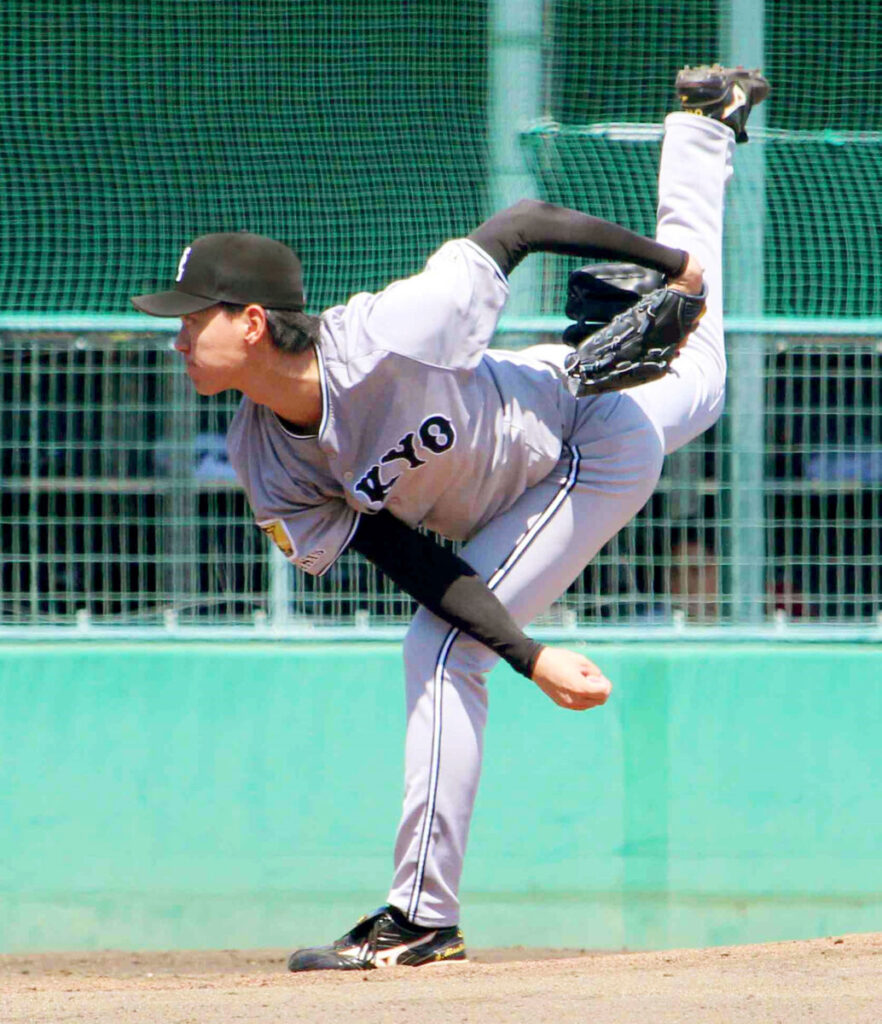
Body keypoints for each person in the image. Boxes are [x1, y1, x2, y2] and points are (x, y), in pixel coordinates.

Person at [131, 63, 769, 970]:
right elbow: (403, 557)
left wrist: (673, 271)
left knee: (437, 647)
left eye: (198, 317)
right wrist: (531, 650)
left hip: (582, 433)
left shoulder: (393, 329)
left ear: (258, 322)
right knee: (701, 375)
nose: (180, 334)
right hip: (549, 438)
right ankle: (708, 127)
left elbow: (523, 226)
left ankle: (421, 919)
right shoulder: (264, 457)